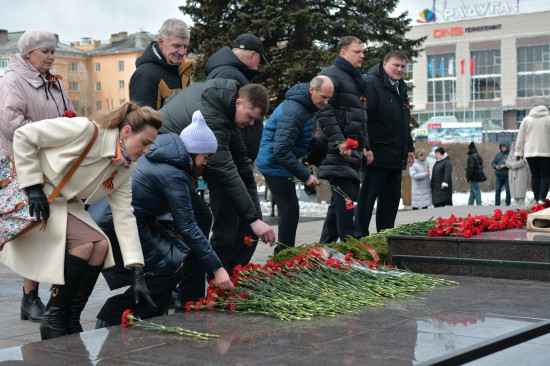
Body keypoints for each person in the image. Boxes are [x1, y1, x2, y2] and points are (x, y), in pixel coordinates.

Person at [0, 102, 158, 340]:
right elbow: (24, 135)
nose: (147, 150)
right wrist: (32, 186)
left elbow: (124, 215)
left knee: (101, 245)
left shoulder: (126, 166)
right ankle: (54, 318)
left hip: (64, 204)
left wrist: (137, 271)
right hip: (37, 199)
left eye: (151, 145)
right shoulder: (86, 130)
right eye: (145, 142)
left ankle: (71, 317)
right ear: (126, 132)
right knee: (85, 243)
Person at [92, 111, 235, 327]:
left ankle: (151, 315)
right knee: (170, 263)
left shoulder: (167, 155)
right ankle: (113, 314)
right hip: (115, 223)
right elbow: (188, 226)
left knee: (170, 261)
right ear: (195, 151)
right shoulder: (174, 174)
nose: (205, 164)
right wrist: (217, 268)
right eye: (205, 157)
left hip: (109, 218)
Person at [158, 79, 275, 309]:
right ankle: (186, 295)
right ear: (240, 103)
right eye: (250, 116)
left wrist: (250, 185)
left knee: (200, 219)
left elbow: (239, 157)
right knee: (197, 221)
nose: (251, 123)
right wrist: (253, 219)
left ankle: (190, 295)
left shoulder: (223, 104)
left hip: (173, 159)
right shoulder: (214, 117)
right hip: (165, 163)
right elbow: (225, 170)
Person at [0, 29, 74, 324]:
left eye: (52, 50)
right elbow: (11, 125)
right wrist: (54, 130)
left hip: (53, 163)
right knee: (34, 228)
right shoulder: (13, 80)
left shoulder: (53, 80)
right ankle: (30, 297)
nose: (51, 56)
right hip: (22, 165)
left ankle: (45, 295)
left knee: (53, 228)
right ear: (28, 53)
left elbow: (69, 114)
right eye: (44, 51)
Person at [204, 34, 267, 274]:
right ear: (252, 55)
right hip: (227, 166)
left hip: (236, 164)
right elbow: (227, 131)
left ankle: (231, 276)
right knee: (229, 229)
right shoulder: (228, 75)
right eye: (260, 60)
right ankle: (221, 280)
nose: (250, 122)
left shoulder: (231, 73)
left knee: (240, 227)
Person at [257, 76, 334, 252]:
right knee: (290, 209)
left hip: (280, 161)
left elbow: (292, 139)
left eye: (329, 97)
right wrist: (305, 175)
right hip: (274, 163)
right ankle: (284, 254)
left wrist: (310, 148)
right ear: (312, 90)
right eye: (323, 97)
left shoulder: (306, 105)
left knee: (290, 209)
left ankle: (286, 252)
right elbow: (281, 150)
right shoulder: (295, 111)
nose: (326, 101)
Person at [354, 50, 414, 238]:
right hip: (376, 156)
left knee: (390, 203)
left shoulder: (401, 86)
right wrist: (365, 146)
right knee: (367, 201)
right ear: (385, 64)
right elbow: (363, 118)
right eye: (395, 65)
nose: (399, 69)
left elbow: (404, 121)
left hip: (396, 157)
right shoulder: (371, 83)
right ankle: (358, 239)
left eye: (403, 66)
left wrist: (409, 148)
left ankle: (385, 238)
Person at [316, 36, 370, 243]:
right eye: (358, 51)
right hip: (337, 150)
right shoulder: (330, 75)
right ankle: (350, 247)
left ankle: (323, 250)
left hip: (352, 151)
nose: (362, 55)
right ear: (343, 53)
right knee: (347, 204)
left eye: (363, 51)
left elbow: (360, 117)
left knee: (340, 204)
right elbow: (324, 112)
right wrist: (339, 141)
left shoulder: (356, 79)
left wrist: (366, 146)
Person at [129, 18, 194, 110]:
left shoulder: (181, 69)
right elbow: (144, 122)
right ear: (161, 42)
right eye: (176, 46)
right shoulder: (145, 75)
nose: (182, 52)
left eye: (185, 46)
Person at [516, 101, 550, 204]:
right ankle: (541, 199)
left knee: (535, 176)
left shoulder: (526, 119)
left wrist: (519, 153)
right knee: (546, 175)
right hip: (546, 152)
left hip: (530, 153)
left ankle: (536, 199)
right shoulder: (549, 119)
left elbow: (520, 138)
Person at [506, 138, 527, 207]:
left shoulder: (522, 152)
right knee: (514, 195)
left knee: (520, 194)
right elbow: (506, 162)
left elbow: (522, 162)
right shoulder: (511, 152)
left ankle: (522, 210)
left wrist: (512, 165)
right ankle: (517, 211)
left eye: (516, 143)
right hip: (512, 175)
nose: (515, 145)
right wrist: (512, 164)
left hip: (520, 175)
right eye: (514, 143)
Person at [466, 141, 486, 206]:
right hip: (477, 176)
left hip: (473, 177)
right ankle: (470, 204)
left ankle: (479, 204)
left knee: (476, 191)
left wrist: (468, 177)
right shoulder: (477, 155)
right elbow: (480, 163)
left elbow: (471, 168)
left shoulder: (471, 157)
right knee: (472, 191)